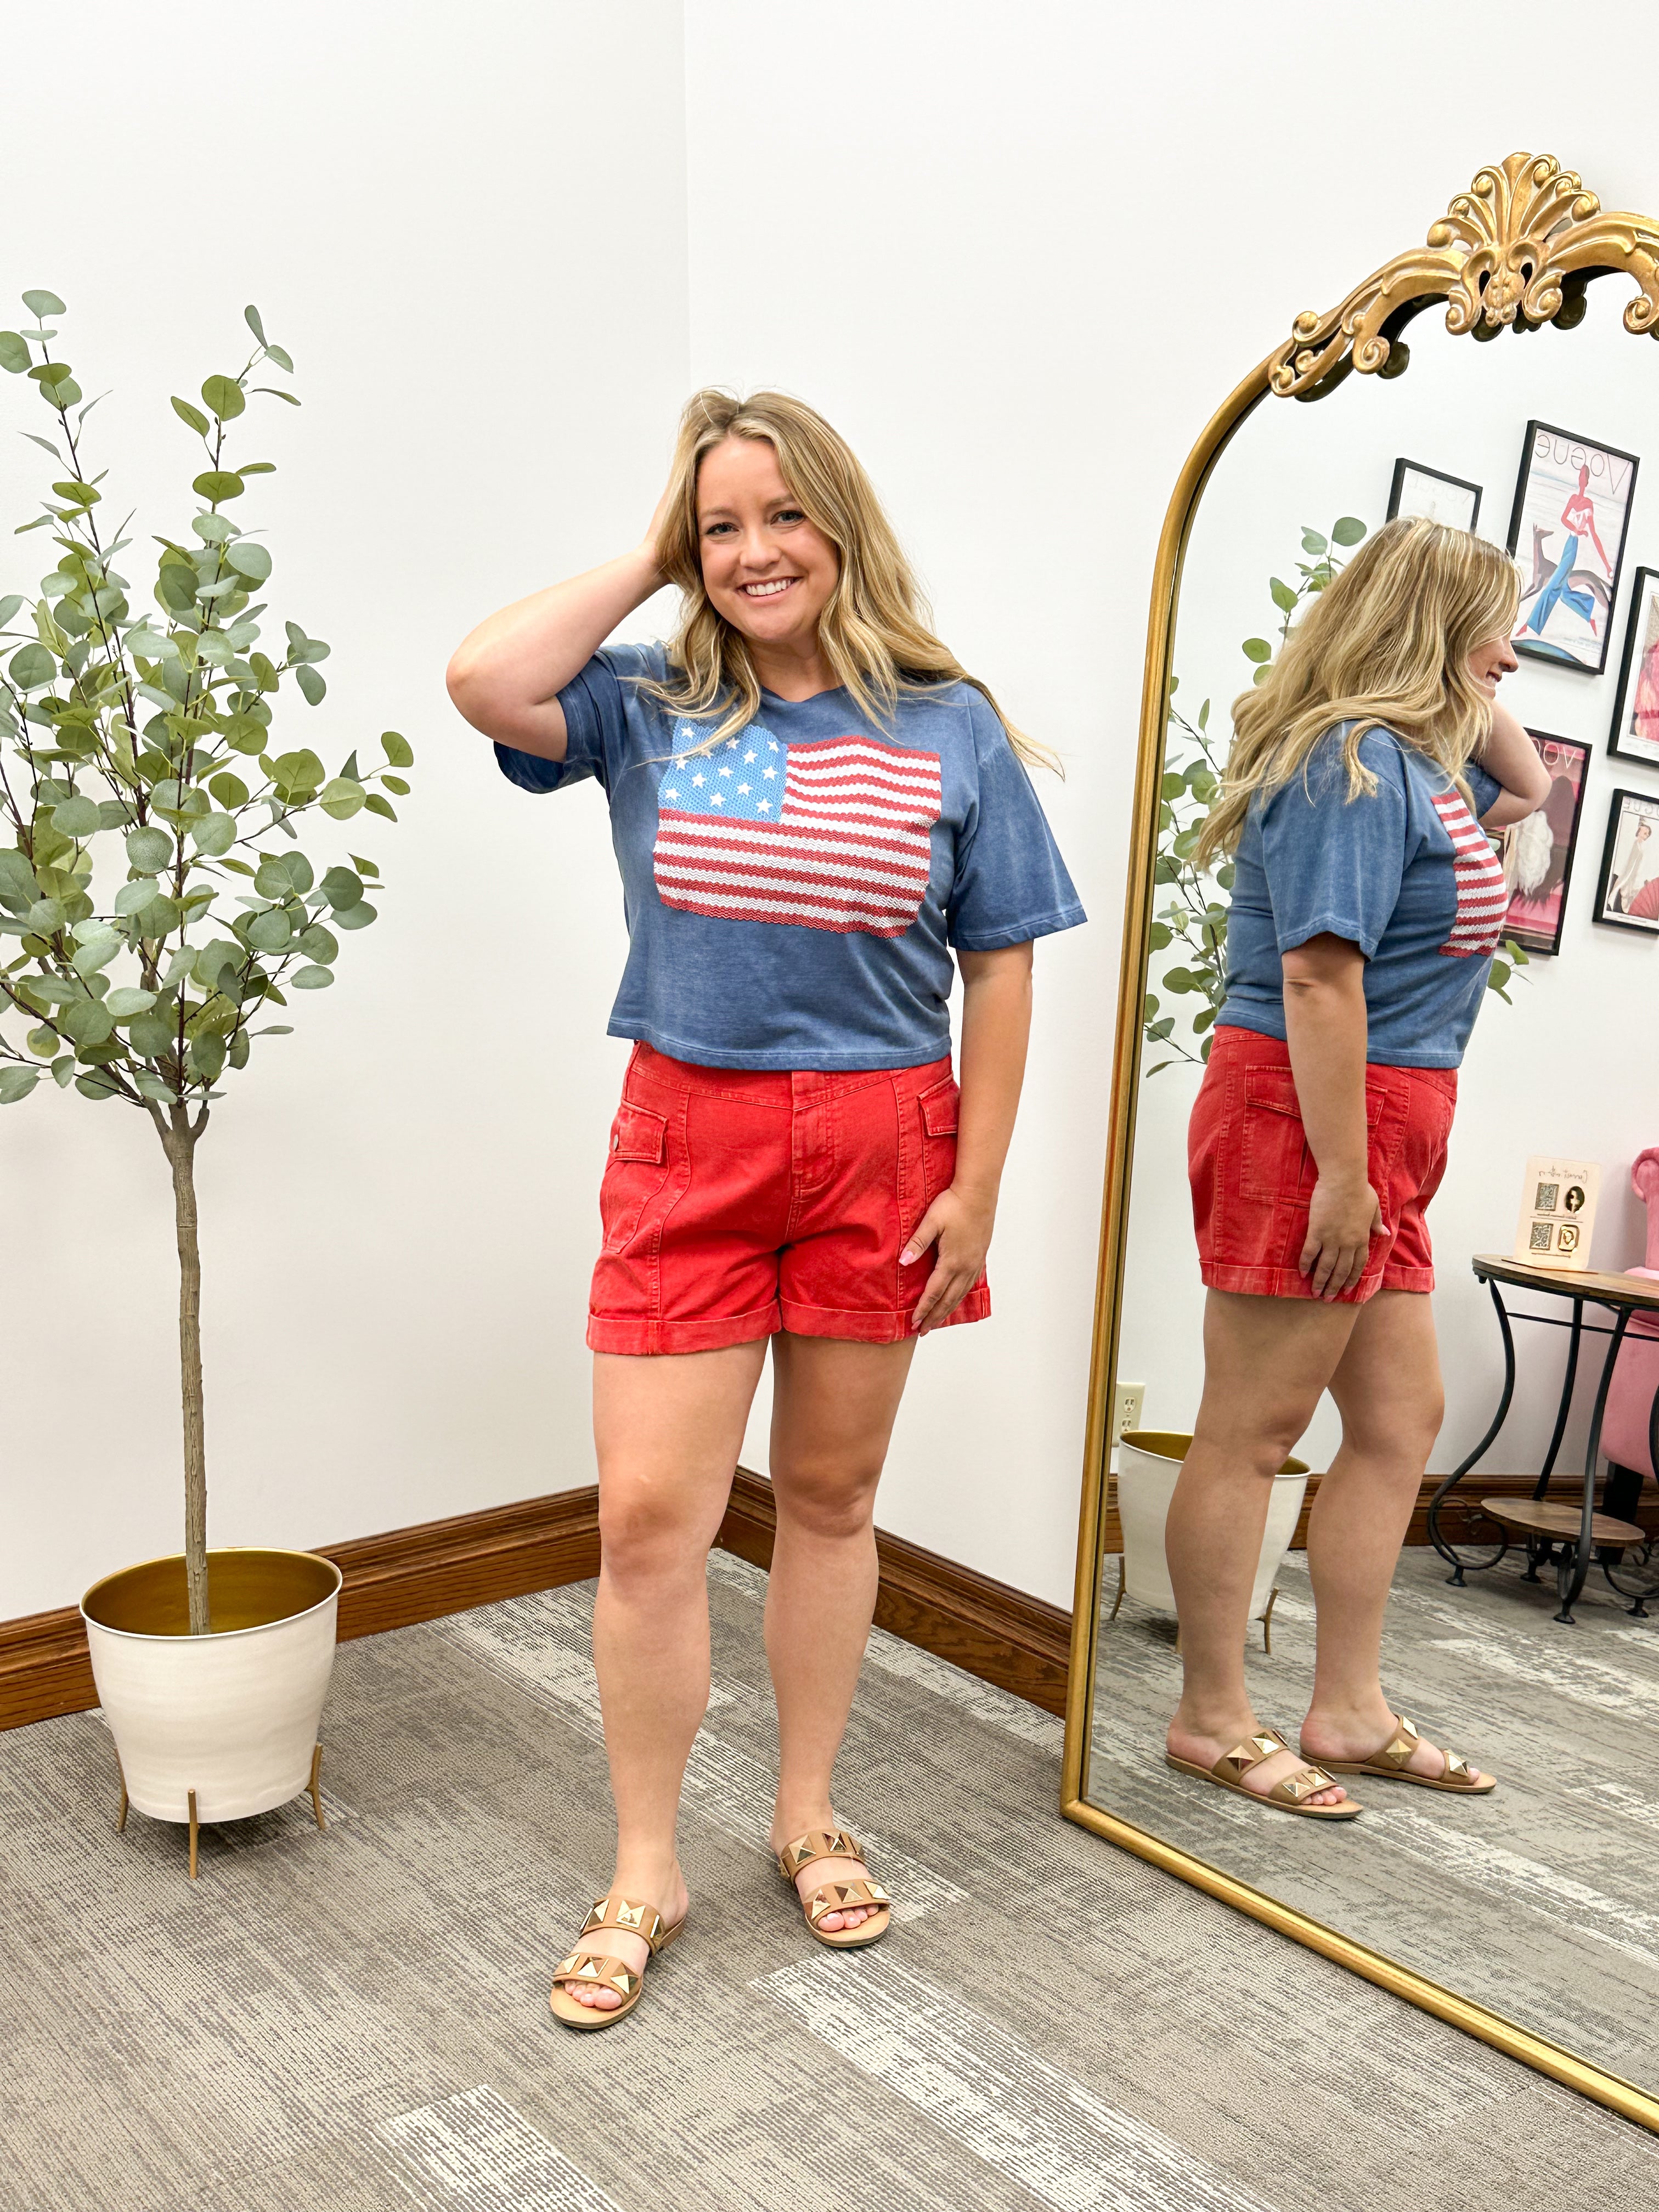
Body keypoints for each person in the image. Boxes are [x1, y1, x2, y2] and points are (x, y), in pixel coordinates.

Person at [446, 389, 1085, 2023]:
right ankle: (647, 1861)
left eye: (782, 516)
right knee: (650, 1519)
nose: (754, 551)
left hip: (888, 1142)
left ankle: (806, 1814)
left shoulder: (949, 726)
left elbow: (997, 965)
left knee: (831, 1498)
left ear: (842, 526)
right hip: (691, 1129)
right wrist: (657, 555)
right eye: (720, 525)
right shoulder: (650, 702)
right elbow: (483, 680)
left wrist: (979, 1187)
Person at [1165, 517, 1551, 1818]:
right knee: (1254, 1428)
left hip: (1383, 1122)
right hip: (1312, 1116)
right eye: (1496, 625)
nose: (1515, 652)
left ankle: (1346, 1706)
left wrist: (1467, 670)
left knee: (1399, 1424)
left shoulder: (1417, 764)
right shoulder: (1353, 766)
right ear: (1435, 633)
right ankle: (1212, 1716)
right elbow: (1319, 977)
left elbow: (1532, 790)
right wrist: (1342, 1171)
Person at [1517, 462, 1610, 642]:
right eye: (1580, 475)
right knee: (1564, 593)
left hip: (1573, 546)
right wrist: (1577, 529)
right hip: (1570, 540)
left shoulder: (1589, 504)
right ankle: (1587, 611)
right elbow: (1563, 519)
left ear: (1588, 480)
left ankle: (1530, 624)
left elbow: (1595, 533)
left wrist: (1606, 566)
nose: (1582, 478)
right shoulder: (1574, 499)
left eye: (1585, 476)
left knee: (1551, 587)